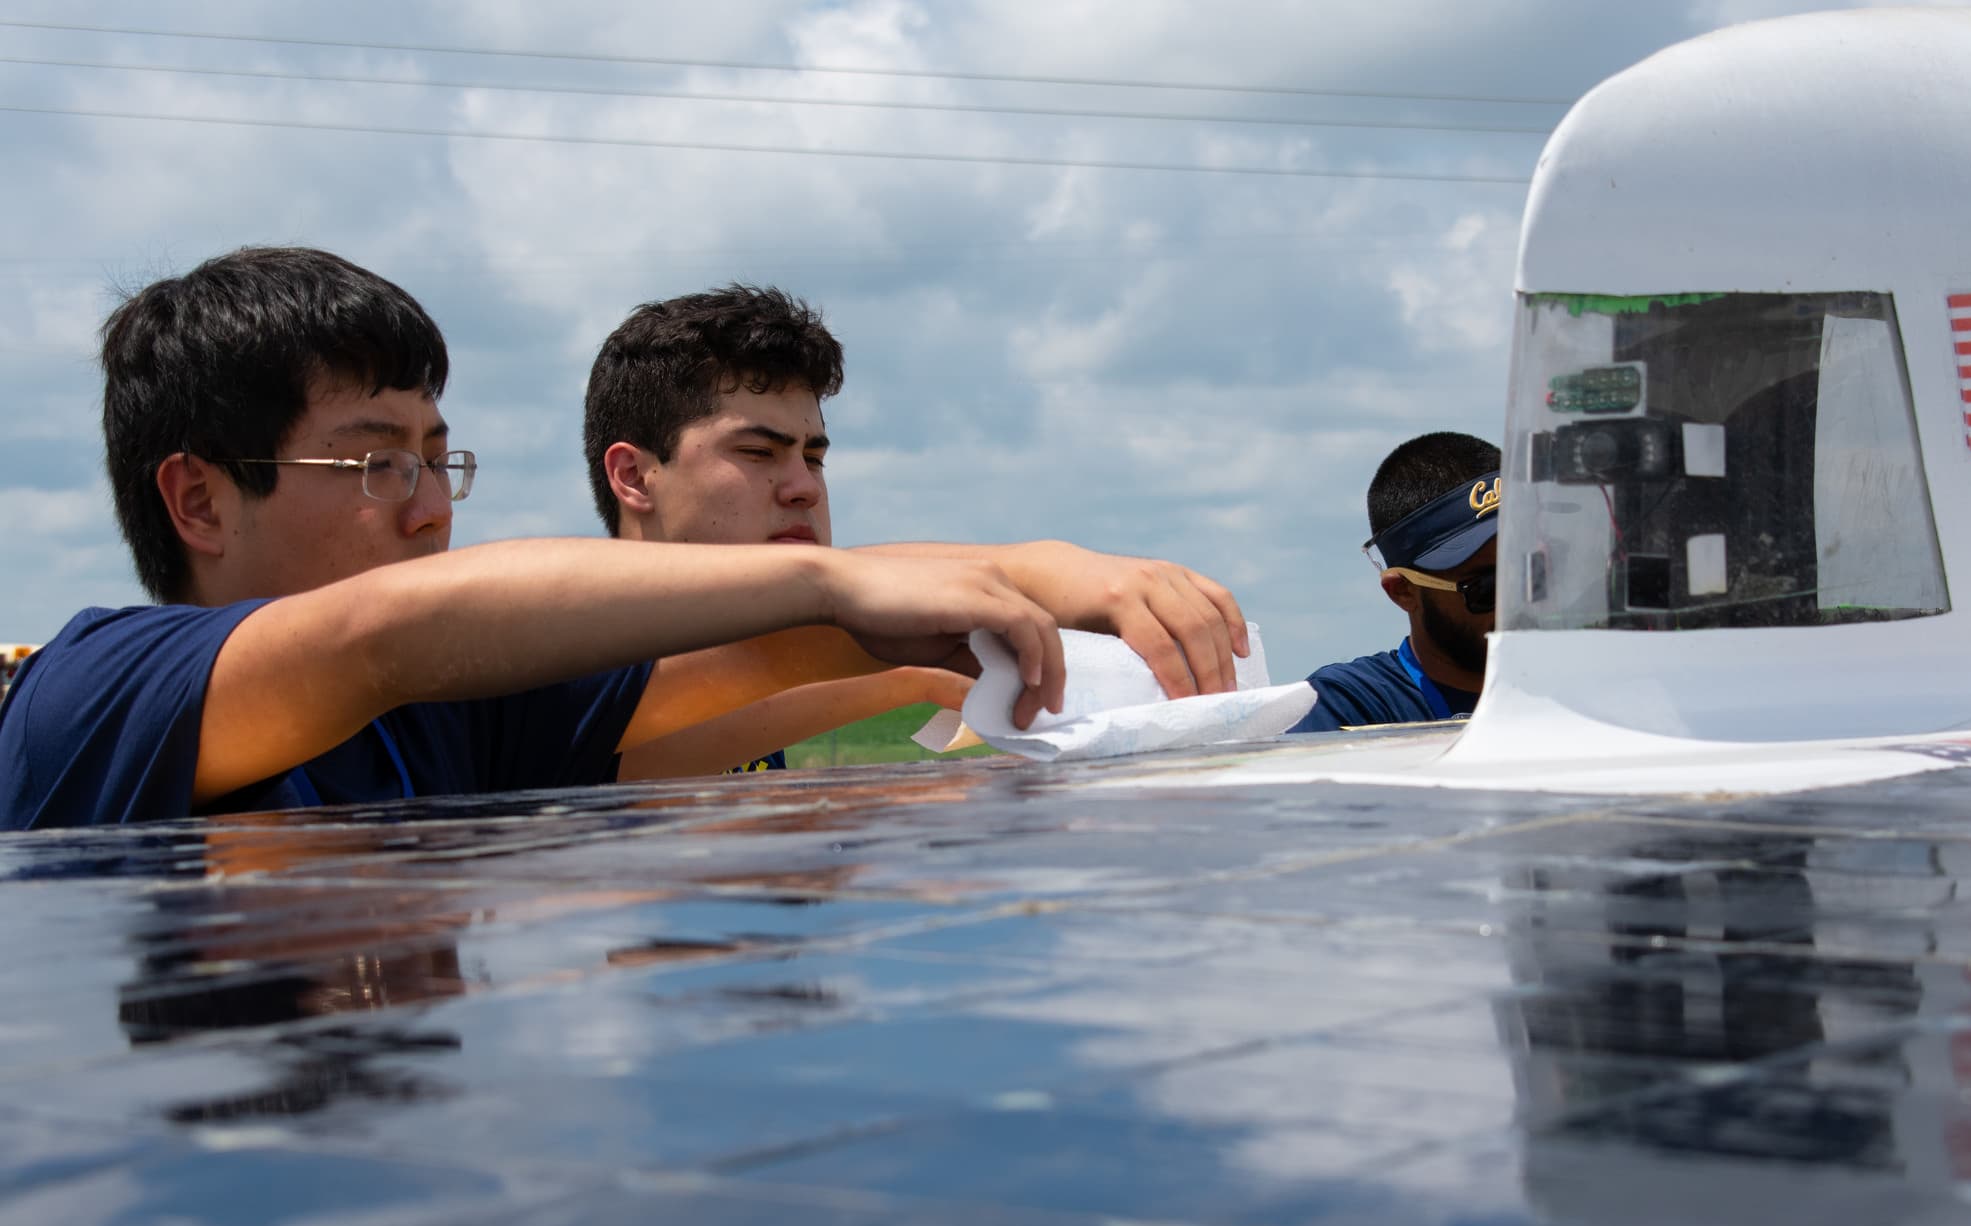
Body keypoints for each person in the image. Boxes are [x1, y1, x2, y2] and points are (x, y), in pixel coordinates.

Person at [0, 247, 1096, 832]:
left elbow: (751, 665)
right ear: (197, 501)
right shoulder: (98, 691)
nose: (430, 507)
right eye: (376, 462)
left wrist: (1017, 598)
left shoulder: (431, 725)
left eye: (438, 459)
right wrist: (834, 581)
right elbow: (389, 630)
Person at [582, 284, 1249, 777]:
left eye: (814, 456)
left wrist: (913, 678)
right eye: (759, 452)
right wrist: (1037, 568)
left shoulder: (741, 667)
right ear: (635, 477)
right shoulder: (564, 673)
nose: (805, 486)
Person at [1292, 432, 1500, 730]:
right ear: (1402, 591)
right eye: (1487, 588)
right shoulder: (1350, 708)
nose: (1520, 600)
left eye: (1537, 573)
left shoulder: (1580, 688)